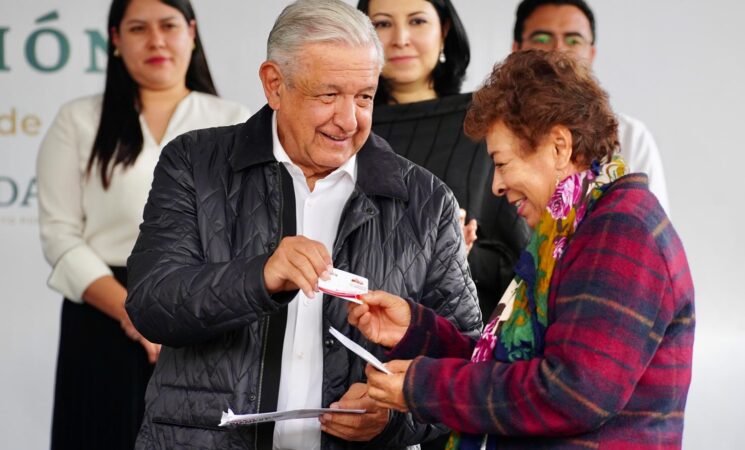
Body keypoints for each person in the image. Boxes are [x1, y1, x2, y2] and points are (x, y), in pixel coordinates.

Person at [124, 1, 482, 449]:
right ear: (274, 85)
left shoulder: (426, 201)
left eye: (365, 96)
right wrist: (259, 277)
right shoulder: (194, 164)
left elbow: (469, 365)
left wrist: (393, 419)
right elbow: (151, 302)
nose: (349, 120)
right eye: (328, 95)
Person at [347, 50, 694, 449]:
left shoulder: (622, 229)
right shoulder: (573, 230)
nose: (495, 185)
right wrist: (416, 331)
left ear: (559, 147)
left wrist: (421, 388)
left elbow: (571, 394)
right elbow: (510, 367)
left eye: (502, 162)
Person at [36, 0, 250, 448]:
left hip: (202, 314)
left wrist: (178, 310)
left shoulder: (235, 122)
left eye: (169, 25)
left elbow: (247, 235)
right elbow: (60, 235)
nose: (155, 40)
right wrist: (133, 312)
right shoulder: (79, 120)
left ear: (191, 32)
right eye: (138, 28)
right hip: (103, 316)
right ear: (115, 40)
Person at [356, 0, 530, 323]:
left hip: (459, 346)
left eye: (417, 21)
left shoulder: (486, 123)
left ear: (444, 29)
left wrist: (456, 255)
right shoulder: (342, 126)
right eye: (382, 24)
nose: (400, 38)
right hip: (353, 329)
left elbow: (521, 261)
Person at [512, 0, 671, 214]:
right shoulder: (492, 136)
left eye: (573, 40)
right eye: (541, 39)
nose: (558, 50)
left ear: (591, 54)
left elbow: (652, 236)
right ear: (516, 50)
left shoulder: (629, 137)